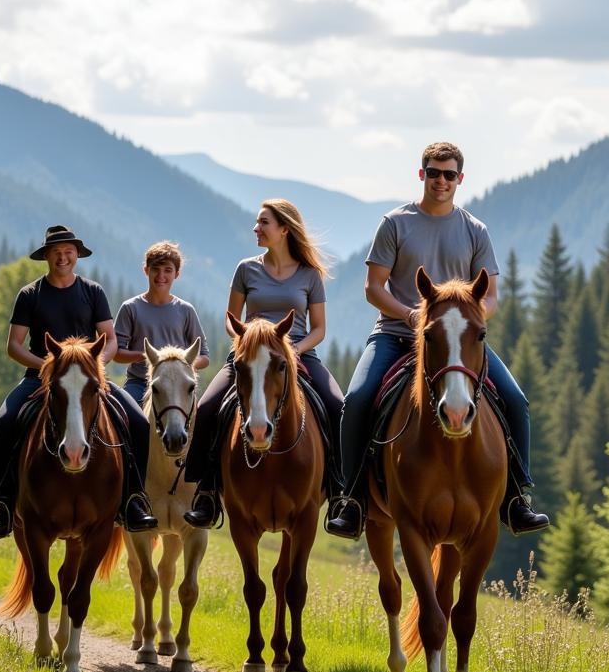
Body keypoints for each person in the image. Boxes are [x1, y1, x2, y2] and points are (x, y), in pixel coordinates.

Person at [325, 142, 550, 540]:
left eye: (449, 174)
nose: (441, 180)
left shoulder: (474, 230)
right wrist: (412, 315)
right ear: (421, 175)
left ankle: (517, 497)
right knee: (357, 399)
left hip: (459, 341)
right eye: (433, 172)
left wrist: (469, 318)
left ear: (460, 179)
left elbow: (491, 295)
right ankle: (352, 498)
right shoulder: (395, 223)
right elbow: (373, 288)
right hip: (396, 335)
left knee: (515, 399)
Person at [0, 225, 158, 539]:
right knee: (5, 423)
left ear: (77, 255)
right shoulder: (29, 295)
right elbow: (14, 346)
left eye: (68, 252)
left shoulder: (93, 291)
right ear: (46, 256)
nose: (63, 258)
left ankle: (133, 499)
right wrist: (50, 367)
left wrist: (91, 368)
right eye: (57, 253)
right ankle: (3, 503)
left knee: (138, 424)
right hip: (40, 379)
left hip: (88, 380)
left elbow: (111, 340)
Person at [183, 199, 345, 528]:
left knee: (338, 407)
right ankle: (207, 492)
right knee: (208, 407)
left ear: (284, 229)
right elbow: (232, 320)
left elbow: (319, 329)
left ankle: (341, 493)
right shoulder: (246, 269)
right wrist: (246, 340)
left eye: (263, 223)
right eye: (257, 223)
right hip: (248, 356)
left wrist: (293, 350)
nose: (256, 228)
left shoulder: (310, 275)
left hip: (297, 356)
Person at [113, 241, 210, 405]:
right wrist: (147, 357)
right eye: (155, 269)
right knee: (125, 416)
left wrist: (180, 363)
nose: (161, 276)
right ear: (146, 270)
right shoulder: (130, 308)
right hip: (139, 383)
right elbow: (117, 353)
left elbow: (204, 357)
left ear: (176, 274)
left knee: (198, 425)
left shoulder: (186, 310)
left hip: (178, 385)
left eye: (168, 270)